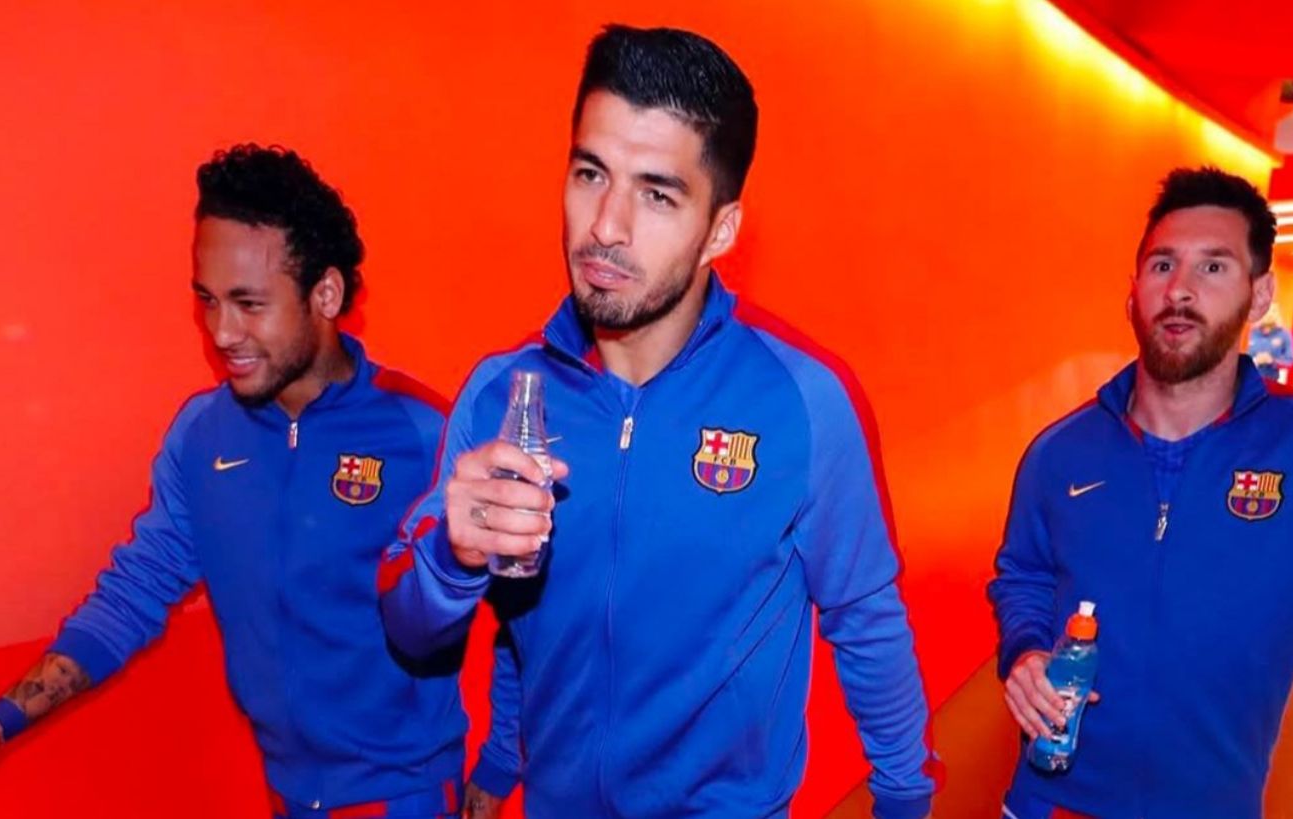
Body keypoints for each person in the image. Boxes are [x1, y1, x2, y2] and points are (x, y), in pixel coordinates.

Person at [378, 25, 936, 819]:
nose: (606, 226)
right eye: (590, 173)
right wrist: (450, 559)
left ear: (721, 230)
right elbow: (433, 630)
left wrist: (905, 799)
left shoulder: (802, 400)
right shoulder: (503, 394)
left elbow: (866, 619)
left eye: (657, 194)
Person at [0, 144, 488, 818]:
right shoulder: (202, 434)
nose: (221, 331)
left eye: (248, 303)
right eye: (208, 301)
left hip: (404, 796)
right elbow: (134, 593)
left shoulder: (422, 430)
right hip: (288, 795)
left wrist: (501, 766)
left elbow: (521, 614)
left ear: (325, 294)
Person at [989, 167, 1293, 818]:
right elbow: (1023, 574)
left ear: (1260, 294)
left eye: (1214, 267)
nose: (1180, 289)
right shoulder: (1059, 451)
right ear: (1133, 292)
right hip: (1048, 798)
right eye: (1162, 265)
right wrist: (1024, 650)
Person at [1245, 301, 1293, 381]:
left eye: (1270, 326)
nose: (1266, 330)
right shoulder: (1252, 332)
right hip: (1250, 378)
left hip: (1271, 380)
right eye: (1264, 327)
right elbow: (1242, 356)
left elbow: (1290, 360)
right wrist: (1255, 360)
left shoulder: (1284, 335)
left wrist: (1272, 361)